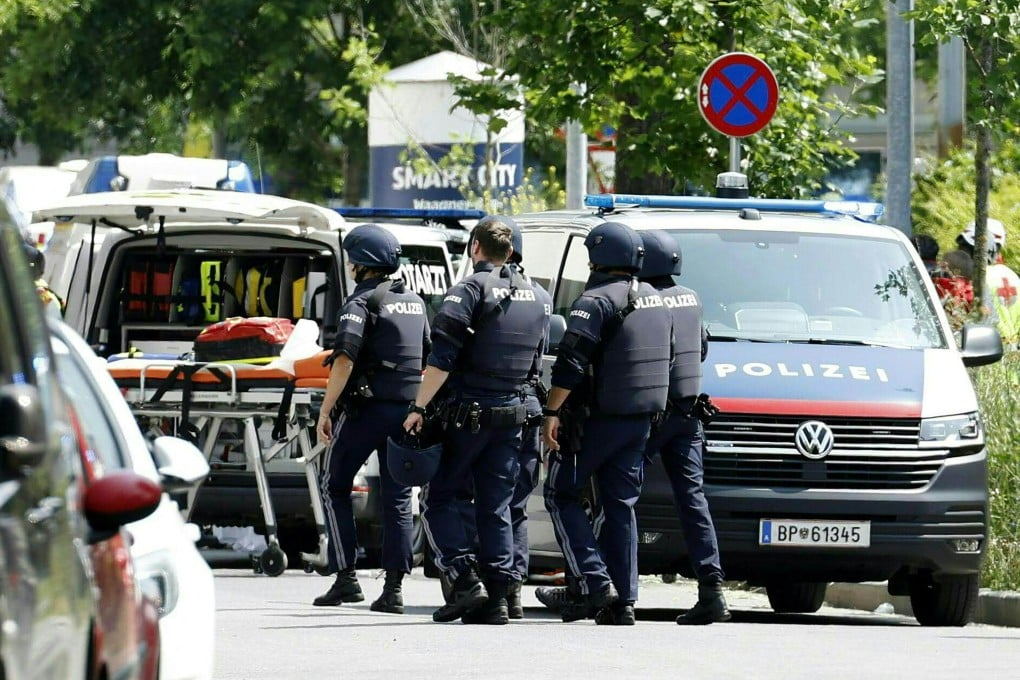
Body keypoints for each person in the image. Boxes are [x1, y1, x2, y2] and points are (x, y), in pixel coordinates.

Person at [403, 215, 548, 625]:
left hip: (469, 416)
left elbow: (441, 360)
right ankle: (500, 597)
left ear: (474, 248)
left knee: (439, 497)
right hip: (513, 416)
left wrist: (417, 409)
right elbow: (536, 360)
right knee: (497, 505)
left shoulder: (468, 289)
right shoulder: (538, 295)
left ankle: (464, 579)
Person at [538, 222, 673, 625]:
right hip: (641, 421)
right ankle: (624, 601)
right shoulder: (657, 299)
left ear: (599, 256)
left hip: (595, 421)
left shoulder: (593, 301)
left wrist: (551, 412)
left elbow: (570, 363)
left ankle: (596, 582)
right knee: (620, 506)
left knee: (560, 494)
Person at [313, 224, 430, 614]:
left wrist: (326, 409)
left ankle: (345, 577)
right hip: (407, 412)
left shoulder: (360, 302)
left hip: (368, 410)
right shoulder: (415, 301)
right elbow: (428, 355)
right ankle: (393, 588)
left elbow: (344, 358)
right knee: (398, 497)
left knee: (334, 484)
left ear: (361, 263)